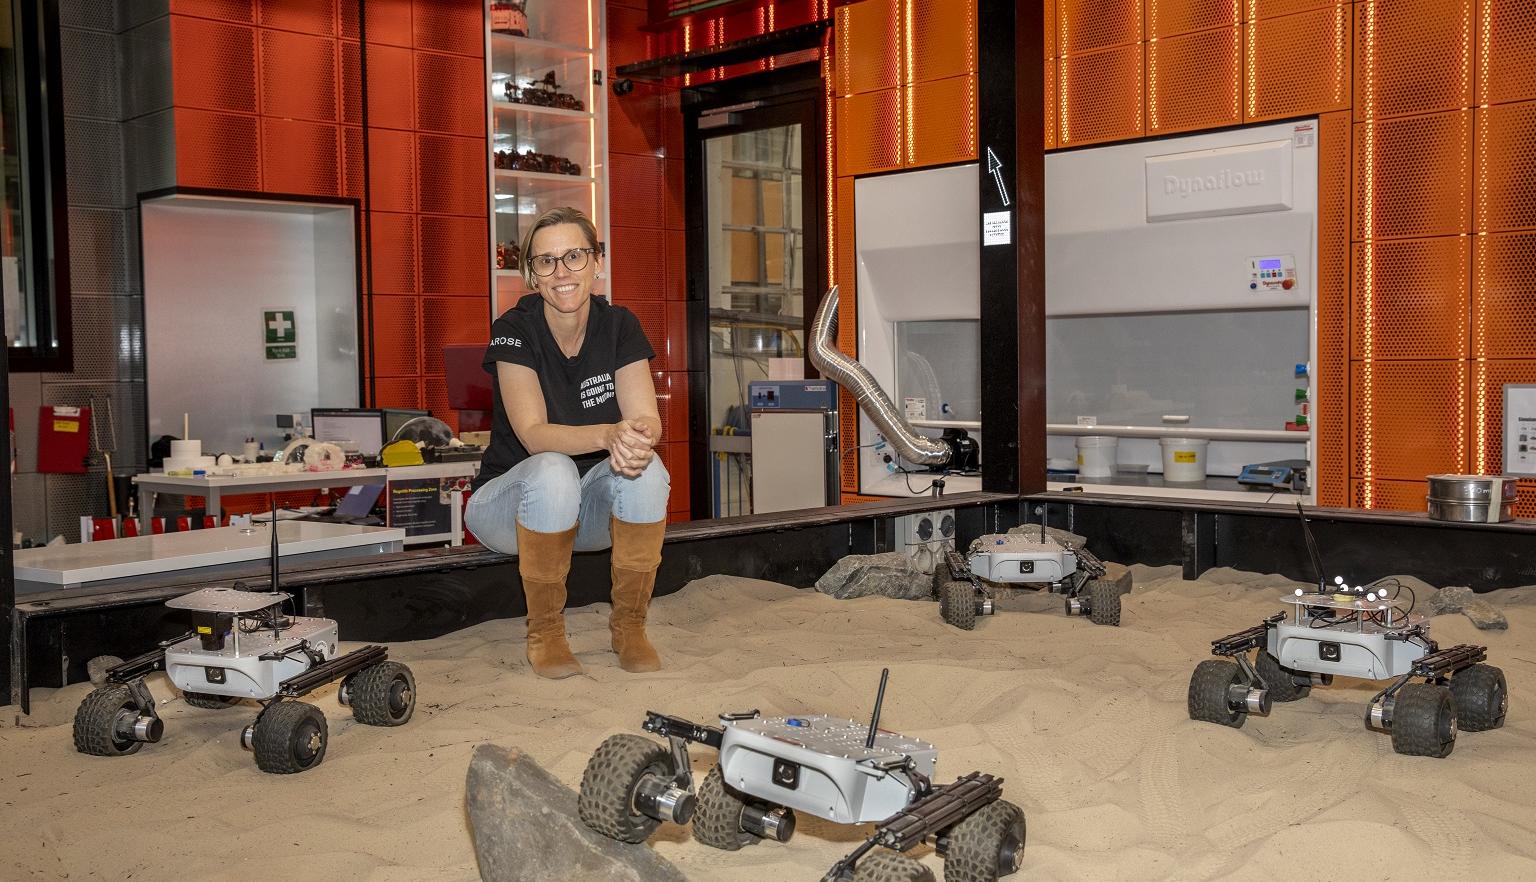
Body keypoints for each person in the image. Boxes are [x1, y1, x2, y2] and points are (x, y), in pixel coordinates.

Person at [465, 206, 670, 679]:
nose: (562, 272)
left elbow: (645, 418)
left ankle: (630, 628)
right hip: (509, 512)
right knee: (554, 467)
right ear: (531, 276)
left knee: (648, 469)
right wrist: (606, 433)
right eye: (546, 261)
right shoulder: (514, 330)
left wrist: (640, 437)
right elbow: (535, 436)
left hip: (584, 512)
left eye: (574, 256)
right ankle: (546, 633)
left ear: (597, 261)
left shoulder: (619, 325)